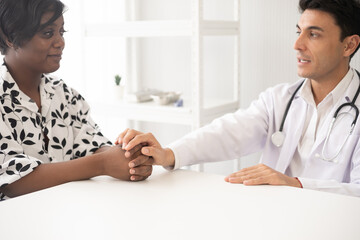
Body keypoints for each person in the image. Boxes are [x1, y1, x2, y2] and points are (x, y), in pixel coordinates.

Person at [117, 0, 360, 197]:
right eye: (298, 32)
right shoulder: (280, 100)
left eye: (313, 35)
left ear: (349, 45)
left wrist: (295, 184)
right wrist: (169, 153)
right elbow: (227, 132)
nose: (297, 44)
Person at [0, 0, 153, 201]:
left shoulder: (64, 93)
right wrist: (103, 164)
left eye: (61, 32)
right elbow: (13, 181)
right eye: (48, 33)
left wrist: (130, 156)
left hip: (65, 215)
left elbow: (91, 145)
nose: (60, 42)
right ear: (11, 37)